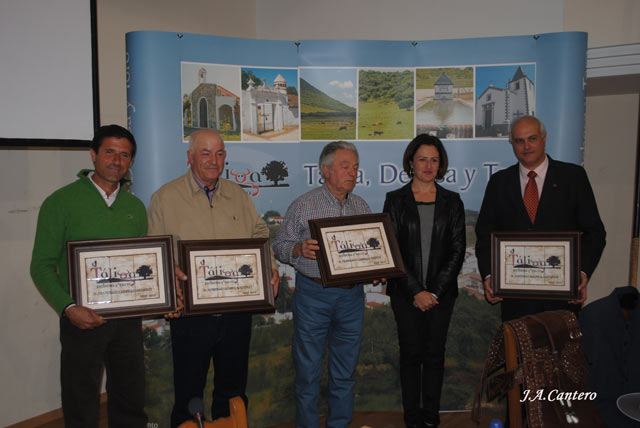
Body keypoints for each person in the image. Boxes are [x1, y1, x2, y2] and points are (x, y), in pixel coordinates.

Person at [147, 129, 279, 428]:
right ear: (190, 157)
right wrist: (170, 275)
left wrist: (269, 265)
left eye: (219, 154)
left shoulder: (238, 195)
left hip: (236, 312)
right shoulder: (164, 198)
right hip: (191, 315)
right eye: (205, 153)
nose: (213, 160)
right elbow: (156, 251)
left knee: (232, 391)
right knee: (188, 391)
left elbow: (259, 234)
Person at [30, 125, 148, 427]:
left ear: (130, 162)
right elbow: (41, 265)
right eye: (109, 152)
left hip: (127, 320)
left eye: (125, 155)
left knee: (129, 397)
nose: (117, 160)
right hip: (80, 319)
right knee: (80, 401)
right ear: (93, 155)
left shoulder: (136, 207)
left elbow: (140, 264)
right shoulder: (60, 203)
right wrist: (69, 308)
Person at [273, 141, 371, 428]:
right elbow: (280, 244)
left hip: (352, 297)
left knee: (345, 371)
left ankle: (339, 424)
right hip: (314, 294)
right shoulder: (304, 204)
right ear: (326, 171)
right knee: (308, 372)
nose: (352, 173)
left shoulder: (361, 206)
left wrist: (376, 267)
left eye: (355, 167)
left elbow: (371, 250)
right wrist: (297, 249)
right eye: (345, 167)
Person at [475, 115, 606, 321]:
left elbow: (594, 232)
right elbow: (484, 234)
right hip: (515, 302)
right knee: (518, 354)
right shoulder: (499, 183)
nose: (526, 146)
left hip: (562, 300)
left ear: (544, 138)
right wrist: (490, 275)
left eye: (532, 138)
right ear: (513, 145)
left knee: (561, 353)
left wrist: (581, 272)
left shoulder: (573, 177)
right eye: (519, 141)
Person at [383, 135, 466, 428]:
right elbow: (390, 249)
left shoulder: (452, 201)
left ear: (440, 164)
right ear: (411, 162)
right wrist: (416, 291)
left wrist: (435, 292)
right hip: (405, 294)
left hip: (442, 295)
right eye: (422, 159)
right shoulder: (395, 200)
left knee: (434, 354)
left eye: (434, 160)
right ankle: (412, 416)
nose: (428, 165)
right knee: (411, 353)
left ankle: (430, 415)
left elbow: (457, 250)